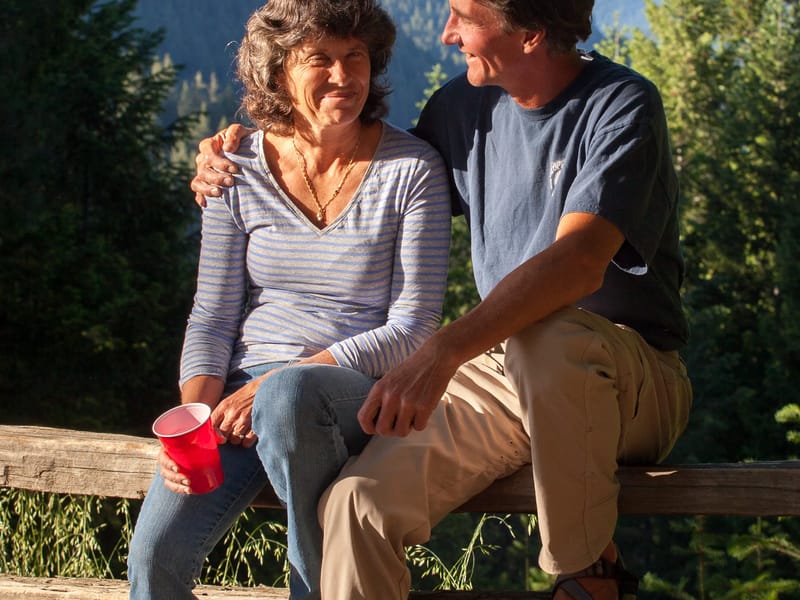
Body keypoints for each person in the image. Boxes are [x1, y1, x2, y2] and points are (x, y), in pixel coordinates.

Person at [191, 0, 693, 598]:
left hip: (629, 378)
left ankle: (586, 574)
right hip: (502, 372)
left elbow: (579, 262)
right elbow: (365, 167)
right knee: (357, 508)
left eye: (463, 16)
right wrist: (252, 149)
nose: (448, 32)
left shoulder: (621, 104)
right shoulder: (461, 108)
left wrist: (441, 350)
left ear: (531, 33)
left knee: (549, 337)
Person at [127, 1, 452, 599]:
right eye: (319, 59)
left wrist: (277, 383)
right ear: (277, 73)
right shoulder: (235, 167)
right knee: (154, 561)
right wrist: (194, 421)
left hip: (350, 387)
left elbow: (412, 330)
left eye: (356, 56)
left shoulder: (412, 171)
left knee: (289, 394)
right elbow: (214, 314)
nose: (343, 75)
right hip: (240, 399)